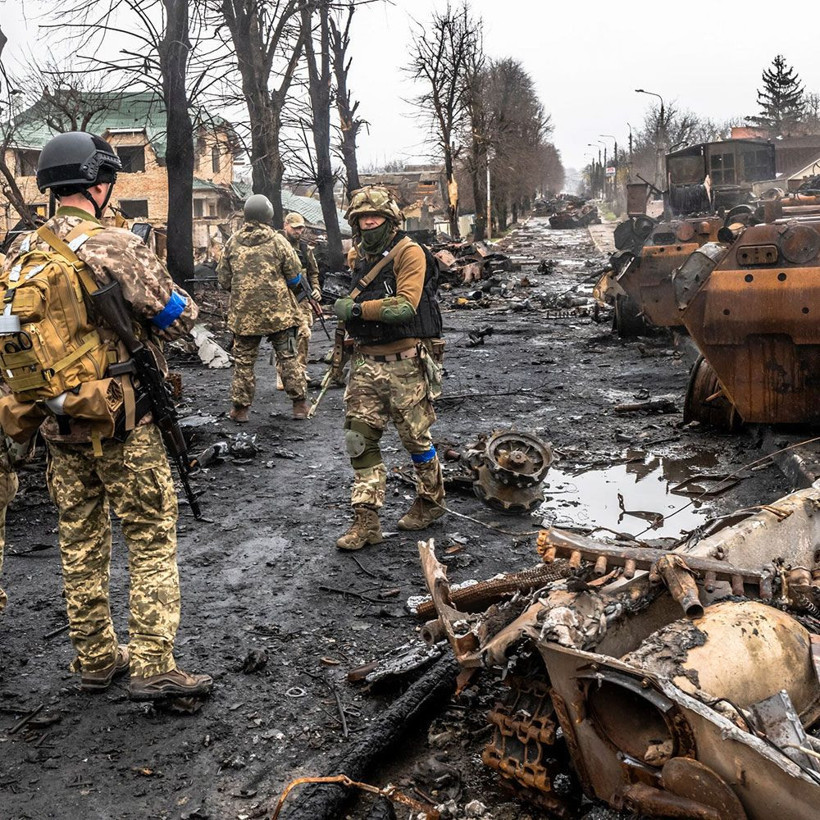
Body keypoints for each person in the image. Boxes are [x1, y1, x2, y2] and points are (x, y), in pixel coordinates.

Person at [0, 131, 212, 699]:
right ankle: (152, 665)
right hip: (123, 422)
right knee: (149, 537)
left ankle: (94, 657)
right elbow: (178, 314)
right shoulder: (113, 244)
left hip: (56, 421)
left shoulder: (19, 251)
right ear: (99, 184)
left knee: (80, 540)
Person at [333, 186, 446, 551]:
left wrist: (355, 310)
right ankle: (366, 520)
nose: (369, 222)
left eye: (376, 217)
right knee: (358, 440)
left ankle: (431, 500)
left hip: (405, 365)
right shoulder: (357, 256)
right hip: (365, 363)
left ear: (390, 218)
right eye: (362, 217)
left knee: (416, 441)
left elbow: (404, 308)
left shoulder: (408, 252)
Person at [217, 195, 311, 422]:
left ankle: (240, 410)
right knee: (288, 357)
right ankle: (299, 406)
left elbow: (223, 279)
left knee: (244, 363)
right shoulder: (279, 242)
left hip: (244, 317)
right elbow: (294, 276)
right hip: (280, 316)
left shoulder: (232, 242)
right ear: (268, 216)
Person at [279, 212, 321, 381]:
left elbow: (313, 272)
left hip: (302, 299)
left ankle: (300, 370)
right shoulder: (277, 246)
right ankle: (282, 372)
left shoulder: (305, 249)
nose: (298, 231)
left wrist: (316, 288)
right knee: (283, 335)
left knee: (304, 334)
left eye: (301, 228)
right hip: (282, 298)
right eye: (295, 228)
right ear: (286, 226)